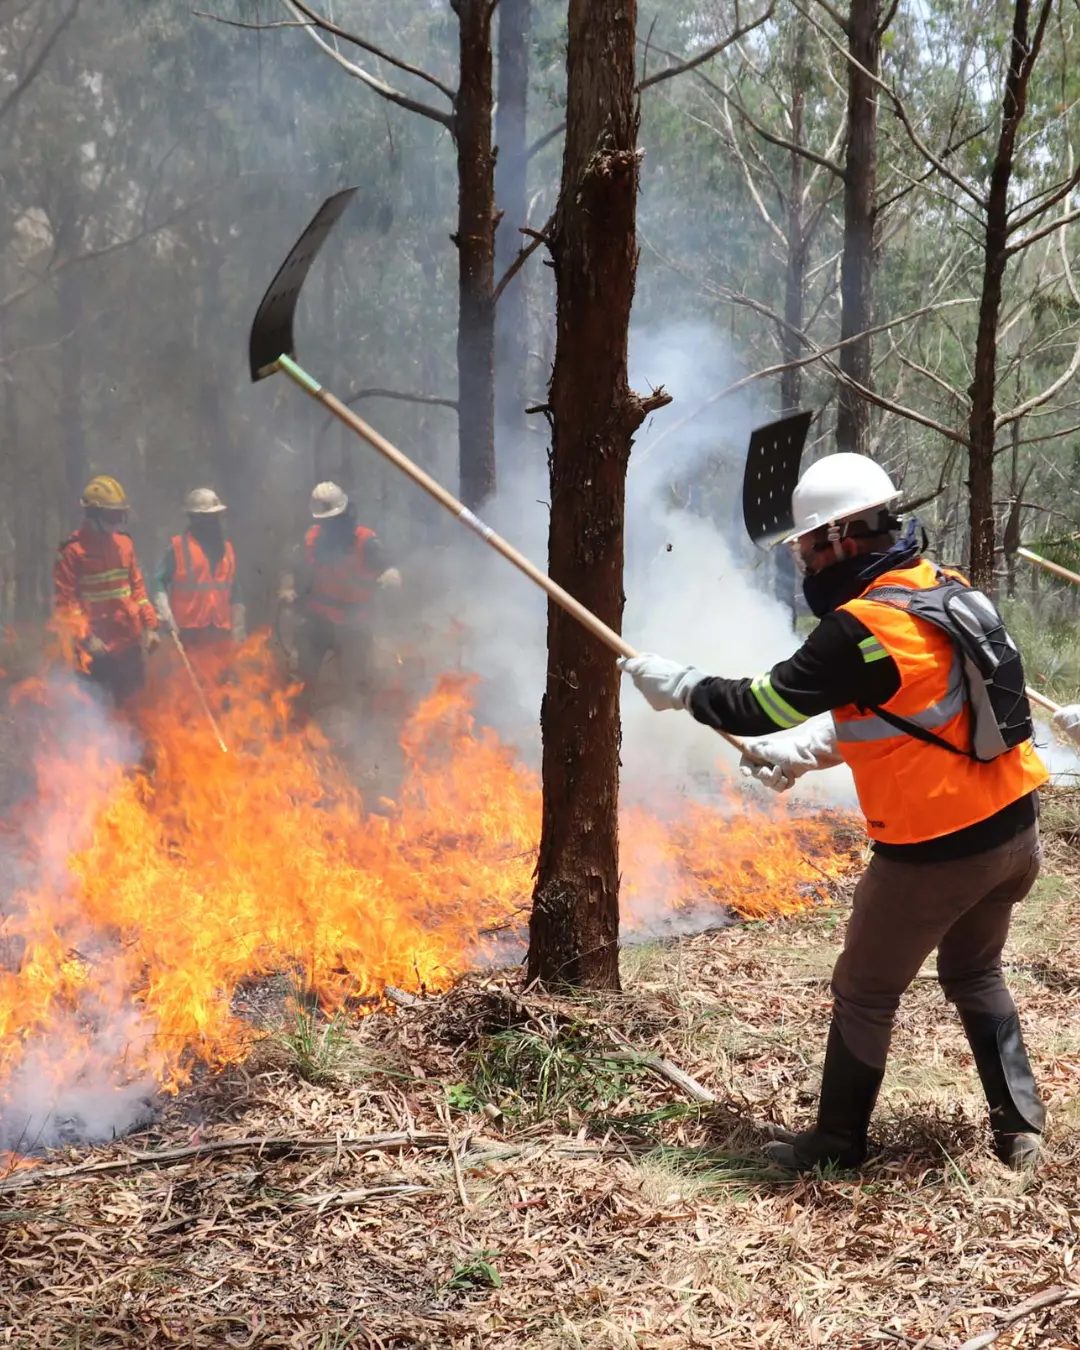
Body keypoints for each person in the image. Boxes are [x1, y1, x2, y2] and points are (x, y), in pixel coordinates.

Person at [619, 453, 1049, 1173]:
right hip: (1012, 833)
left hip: (935, 852)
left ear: (843, 538)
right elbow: (916, 710)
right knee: (974, 972)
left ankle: (837, 1146)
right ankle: (1021, 1132)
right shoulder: (943, 592)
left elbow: (758, 703)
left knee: (863, 989)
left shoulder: (859, 629)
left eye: (808, 546)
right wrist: (799, 755)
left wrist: (683, 685)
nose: (803, 562)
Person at [279, 481, 400, 723]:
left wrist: (391, 574)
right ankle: (297, 728)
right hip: (318, 620)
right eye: (325, 522)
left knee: (355, 684)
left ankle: (359, 738)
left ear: (346, 514)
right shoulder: (311, 539)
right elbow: (292, 566)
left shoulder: (366, 541)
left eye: (334, 520)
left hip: (355, 623)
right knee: (303, 677)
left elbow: (390, 566)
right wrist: (288, 588)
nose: (329, 526)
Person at [54, 475, 160, 708]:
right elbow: (66, 605)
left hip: (128, 643)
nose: (118, 522)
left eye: (120, 515)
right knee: (97, 715)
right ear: (94, 514)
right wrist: (86, 639)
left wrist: (150, 626)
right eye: (112, 516)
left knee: (135, 711)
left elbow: (138, 590)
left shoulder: (125, 544)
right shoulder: (72, 551)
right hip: (95, 650)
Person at [152, 488, 245, 653]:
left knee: (219, 678)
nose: (213, 522)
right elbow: (158, 580)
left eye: (215, 517)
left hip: (220, 632)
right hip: (189, 632)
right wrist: (166, 616)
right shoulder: (179, 547)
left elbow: (235, 589)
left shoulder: (227, 549)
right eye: (208, 517)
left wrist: (238, 626)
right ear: (194, 519)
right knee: (188, 678)